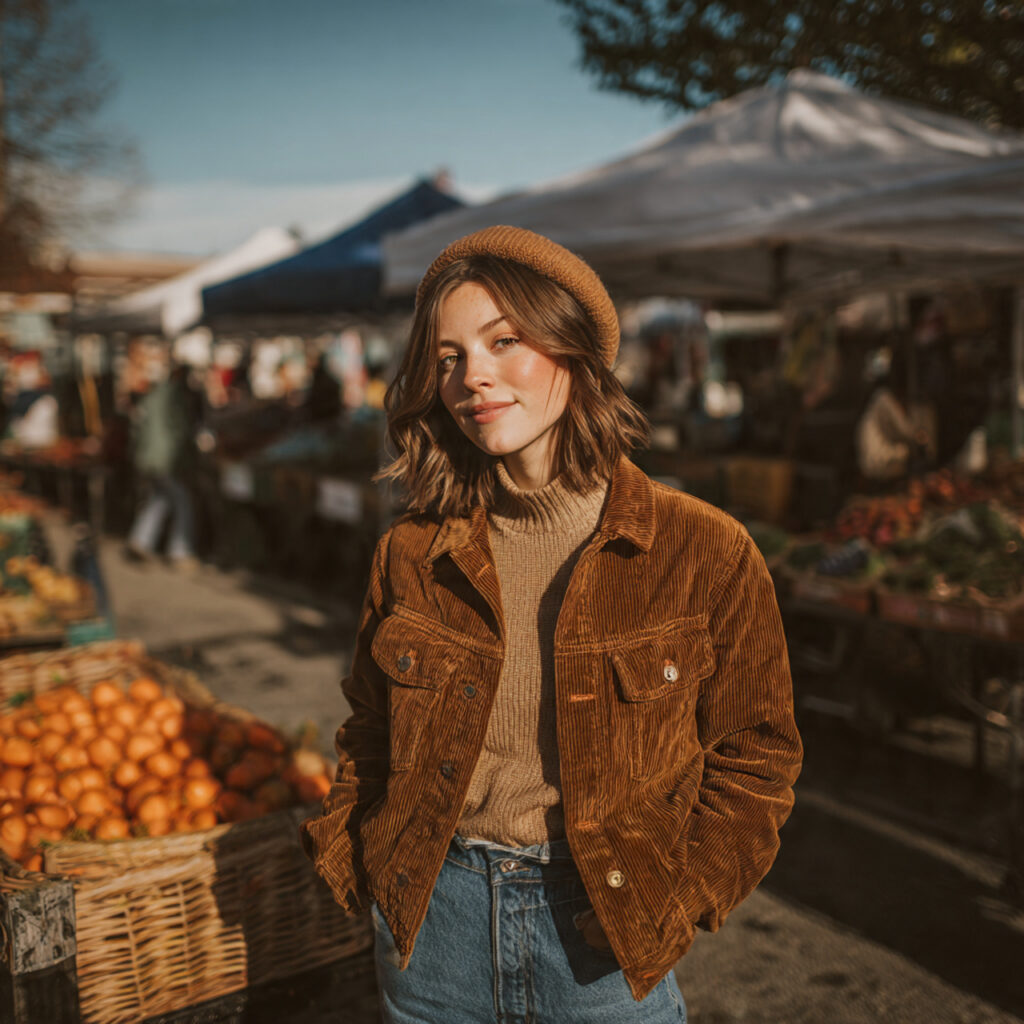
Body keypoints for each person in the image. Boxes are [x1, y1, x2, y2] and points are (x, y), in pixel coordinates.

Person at [301, 227, 802, 1023]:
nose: (475, 377)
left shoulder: (703, 548)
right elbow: (369, 730)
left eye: (505, 340)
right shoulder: (412, 551)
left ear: (574, 350)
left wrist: (679, 898)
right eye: (449, 356)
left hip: (601, 936)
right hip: (433, 928)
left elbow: (755, 760)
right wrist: (355, 855)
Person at [125, 361, 202, 569]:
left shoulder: (152, 396)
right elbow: (181, 432)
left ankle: (140, 540)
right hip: (166, 459)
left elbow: (137, 429)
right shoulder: (174, 399)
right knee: (182, 501)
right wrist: (189, 459)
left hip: (148, 458)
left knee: (160, 498)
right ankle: (180, 551)